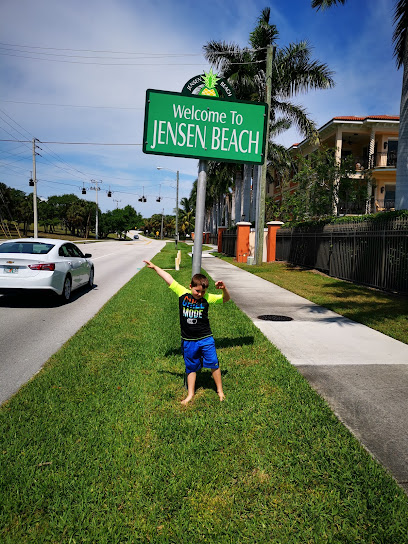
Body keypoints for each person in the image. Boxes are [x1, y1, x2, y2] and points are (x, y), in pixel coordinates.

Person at [143, 260, 230, 404]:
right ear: (190, 287)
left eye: (202, 291)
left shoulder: (207, 298)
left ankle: (220, 390)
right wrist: (156, 267)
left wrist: (224, 289)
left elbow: (225, 299)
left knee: (213, 363)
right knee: (191, 366)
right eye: (197, 290)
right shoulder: (182, 293)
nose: (200, 294)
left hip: (205, 338)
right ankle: (190, 394)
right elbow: (169, 278)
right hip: (188, 340)